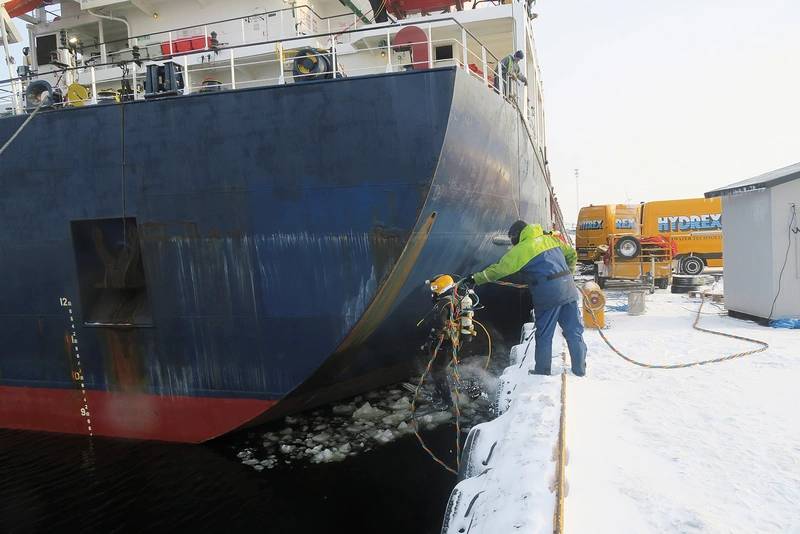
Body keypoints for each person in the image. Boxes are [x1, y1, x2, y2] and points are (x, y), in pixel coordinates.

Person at [468, 220, 587, 376]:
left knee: (544, 334)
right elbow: (571, 254)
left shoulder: (523, 249)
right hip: (569, 289)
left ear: (517, 236)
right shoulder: (550, 239)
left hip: (548, 295)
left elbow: (499, 269)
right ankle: (579, 370)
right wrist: (568, 272)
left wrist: (475, 278)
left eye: (512, 239)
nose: (512, 243)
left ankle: (542, 371)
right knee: (574, 331)